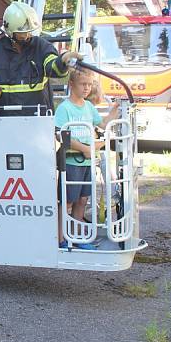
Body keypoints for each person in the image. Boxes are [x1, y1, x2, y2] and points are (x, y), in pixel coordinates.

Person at [54, 67, 118, 249]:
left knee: (83, 200)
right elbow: (60, 133)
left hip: (88, 162)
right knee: (67, 200)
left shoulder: (89, 107)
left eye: (90, 85)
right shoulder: (64, 108)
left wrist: (114, 111)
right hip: (72, 162)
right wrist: (84, 148)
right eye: (83, 84)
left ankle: (76, 236)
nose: (87, 88)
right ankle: (60, 238)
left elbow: (102, 125)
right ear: (71, 84)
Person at [0, 1, 81, 110]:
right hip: (4, 119)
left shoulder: (41, 46)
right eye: (23, 32)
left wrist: (62, 60)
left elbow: (53, 68)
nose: (27, 35)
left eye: (29, 31)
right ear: (10, 31)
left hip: (39, 119)